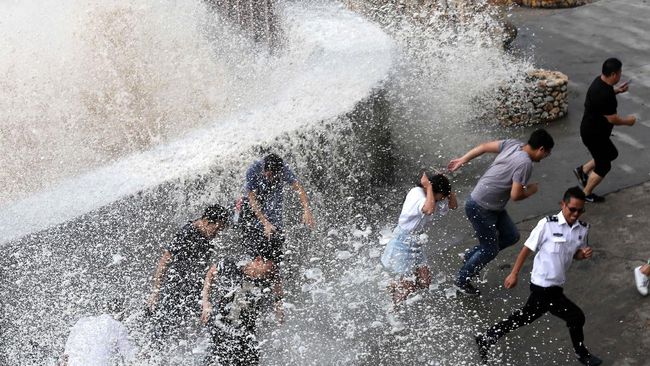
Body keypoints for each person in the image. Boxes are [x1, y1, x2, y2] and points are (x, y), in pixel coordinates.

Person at [475, 187, 602, 366]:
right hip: (543, 284)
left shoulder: (582, 230)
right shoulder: (547, 224)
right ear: (563, 205)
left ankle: (487, 336)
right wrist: (514, 273)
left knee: (525, 316)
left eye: (580, 210)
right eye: (572, 209)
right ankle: (583, 355)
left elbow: (574, 254)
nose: (575, 214)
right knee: (576, 317)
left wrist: (583, 255)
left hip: (557, 284)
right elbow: (527, 249)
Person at [448, 129, 554, 295]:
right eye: (546, 154)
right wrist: (531, 190)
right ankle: (461, 281)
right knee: (489, 249)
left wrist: (463, 159)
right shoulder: (525, 163)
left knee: (511, 236)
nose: (544, 158)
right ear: (541, 149)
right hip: (481, 207)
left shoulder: (514, 144)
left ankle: (471, 256)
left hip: (490, 205)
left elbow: (483, 147)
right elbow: (516, 195)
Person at [147, 204, 230, 338]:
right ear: (207, 221)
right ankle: (148, 354)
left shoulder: (206, 236)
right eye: (217, 229)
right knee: (163, 326)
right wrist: (156, 291)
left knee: (207, 320)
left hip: (193, 288)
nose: (217, 234)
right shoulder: (187, 233)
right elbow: (164, 260)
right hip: (175, 288)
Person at [381, 172, 458, 305]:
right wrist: (428, 187)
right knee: (408, 287)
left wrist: (449, 190)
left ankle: (393, 285)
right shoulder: (417, 194)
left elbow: (453, 206)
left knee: (425, 282)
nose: (442, 199)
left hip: (415, 242)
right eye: (442, 196)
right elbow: (428, 210)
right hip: (403, 242)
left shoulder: (433, 197)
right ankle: (392, 309)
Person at [573, 58, 637, 203]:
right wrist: (629, 121)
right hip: (594, 135)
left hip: (593, 131)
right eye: (620, 73)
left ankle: (582, 170)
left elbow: (603, 97)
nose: (621, 75)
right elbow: (613, 119)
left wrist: (617, 90)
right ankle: (586, 194)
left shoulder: (599, 82)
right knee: (604, 165)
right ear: (614, 74)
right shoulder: (606, 95)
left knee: (611, 153)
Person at [201, 256, 280, 366]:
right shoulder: (232, 267)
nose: (273, 269)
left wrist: (279, 308)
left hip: (246, 331)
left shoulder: (267, 277)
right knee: (217, 359)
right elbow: (211, 272)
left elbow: (278, 286)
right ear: (258, 261)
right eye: (271, 264)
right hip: (221, 325)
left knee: (250, 359)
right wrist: (205, 303)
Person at [61, 299, 136, 366]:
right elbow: (130, 356)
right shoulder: (118, 326)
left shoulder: (82, 322)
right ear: (121, 313)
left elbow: (66, 357)